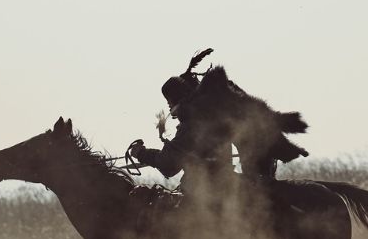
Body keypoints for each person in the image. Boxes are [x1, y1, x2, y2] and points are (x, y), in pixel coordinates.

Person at [130, 49, 308, 200]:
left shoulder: (193, 122)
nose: (168, 107)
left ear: (177, 100)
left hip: (204, 192)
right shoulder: (212, 117)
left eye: (169, 101)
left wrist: (141, 153)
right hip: (226, 183)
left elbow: (169, 166)